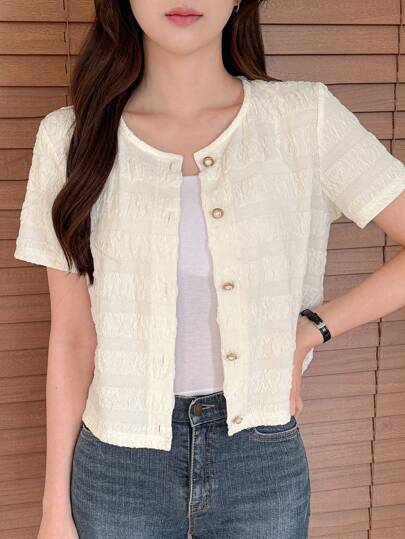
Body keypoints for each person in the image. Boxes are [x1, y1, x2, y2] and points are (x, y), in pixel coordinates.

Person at [13, 1, 405, 538]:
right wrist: (53, 510)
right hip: (117, 466)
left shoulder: (303, 119)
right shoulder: (68, 138)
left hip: (261, 461)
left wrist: (309, 330)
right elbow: (73, 338)